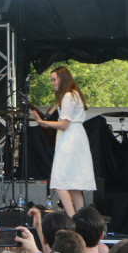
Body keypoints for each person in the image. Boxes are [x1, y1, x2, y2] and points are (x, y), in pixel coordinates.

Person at [30, 67, 96, 216]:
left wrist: (42, 122)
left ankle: (72, 219)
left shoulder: (67, 96)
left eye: (54, 79)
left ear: (63, 78)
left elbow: (64, 124)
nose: (52, 83)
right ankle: (81, 221)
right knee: (73, 185)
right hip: (76, 137)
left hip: (70, 139)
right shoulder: (74, 94)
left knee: (59, 183)